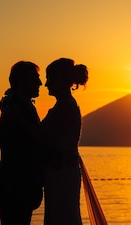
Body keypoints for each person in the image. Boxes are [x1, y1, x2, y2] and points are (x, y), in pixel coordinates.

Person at [0, 61, 44, 225]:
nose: (40, 83)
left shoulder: (16, 104)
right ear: (22, 81)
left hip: (16, 185)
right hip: (15, 186)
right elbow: (33, 142)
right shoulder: (15, 107)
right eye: (35, 78)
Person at [40, 58, 88, 225]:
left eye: (49, 78)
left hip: (62, 173)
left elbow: (43, 139)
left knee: (62, 217)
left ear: (61, 80)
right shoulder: (65, 105)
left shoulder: (65, 107)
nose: (46, 84)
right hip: (60, 172)